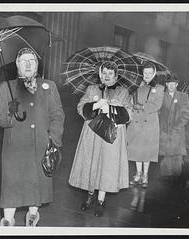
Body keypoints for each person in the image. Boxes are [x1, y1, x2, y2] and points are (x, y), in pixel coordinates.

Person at [0, 48, 65, 226]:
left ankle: (32, 218)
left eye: (31, 60)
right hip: (15, 148)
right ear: (17, 64)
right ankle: (8, 221)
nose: (27, 64)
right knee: (12, 187)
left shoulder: (49, 86)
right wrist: (10, 111)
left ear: (37, 64)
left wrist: (53, 138)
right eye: (23, 60)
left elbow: (57, 114)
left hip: (41, 145)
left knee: (36, 184)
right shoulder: (7, 87)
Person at [68, 61, 132, 217]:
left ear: (116, 76)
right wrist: (95, 105)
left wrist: (110, 108)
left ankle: (101, 200)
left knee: (106, 168)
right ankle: (89, 197)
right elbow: (80, 107)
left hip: (111, 137)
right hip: (92, 134)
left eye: (111, 74)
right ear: (100, 74)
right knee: (91, 164)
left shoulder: (123, 92)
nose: (107, 76)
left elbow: (129, 114)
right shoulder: (91, 89)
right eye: (104, 73)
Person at [126, 62, 164, 188]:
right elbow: (130, 101)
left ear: (153, 74)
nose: (147, 75)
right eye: (145, 73)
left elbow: (157, 105)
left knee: (147, 150)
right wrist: (131, 104)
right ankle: (138, 174)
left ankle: (145, 175)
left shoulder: (159, 88)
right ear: (142, 73)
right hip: (137, 121)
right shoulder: (136, 86)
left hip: (150, 123)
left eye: (149, 73)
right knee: (137, 149)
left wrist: (142, 106)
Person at [158, 74, 189, 183]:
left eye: (174, 84)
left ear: (177, 84)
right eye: (169, 84)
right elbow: (158, 111)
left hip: (177, 130)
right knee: (166, 154)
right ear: (166, 84)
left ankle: (176, 180)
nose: (171, 86)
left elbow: (186, 113)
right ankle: (166, 180)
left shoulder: (183, 96)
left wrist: (179, 125)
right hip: (165, 130)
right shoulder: (161, 95)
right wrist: (161, 126)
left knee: (177, 155)